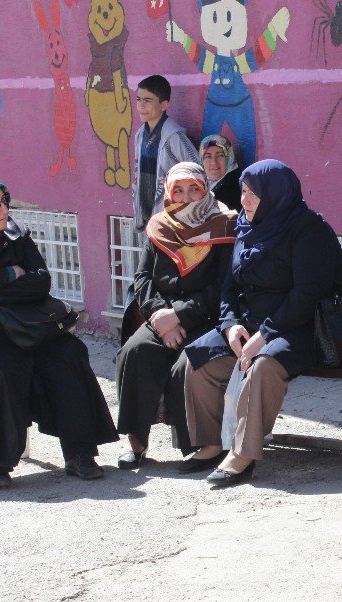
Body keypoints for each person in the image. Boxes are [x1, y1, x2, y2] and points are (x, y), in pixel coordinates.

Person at [0, 175, 118, 489]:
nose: (4, 210)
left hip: (20, 323)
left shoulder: (15, 234)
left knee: (68, 353)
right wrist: (9, 274)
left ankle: (79, 452)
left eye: (6, 202)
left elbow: (41, 280)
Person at [183, 159, 342, 486]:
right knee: (198, 359)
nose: (244, 200)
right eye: (243, 191)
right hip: (248, 322)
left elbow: (306, 295)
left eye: (252, 194)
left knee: (262, 366)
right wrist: (229, 325)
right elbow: (230, 285)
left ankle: (243, 455)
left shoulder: (308, 231)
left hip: (297, 328)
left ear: (275, 195)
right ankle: (213, 442)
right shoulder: (246, 225)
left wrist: (264, 335)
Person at [114, 162, 237, 469]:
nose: (186, 197)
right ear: (169, 193)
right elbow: (142, 279)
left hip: (206, 317)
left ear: (205, 190)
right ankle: (137, 442)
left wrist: (180, 316)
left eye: (194, 189)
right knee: (135, 351)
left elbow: (224, 286)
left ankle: (205, 444)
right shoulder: (160, 225)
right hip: (161, 315)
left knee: (188, 362)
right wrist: (158, 316)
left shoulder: (225, 224)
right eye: (178, 190)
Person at [132, 74, 200, 232]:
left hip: (173, 219)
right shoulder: (140, 135)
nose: (141, 106)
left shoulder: (174, 136)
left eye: (148, 101)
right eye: (138, 99)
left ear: (164, 105)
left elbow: (198, 169)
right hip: (148, 215)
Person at [199, 134, 242, 212]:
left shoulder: (235, 188)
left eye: (220, 155)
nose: (214, 162)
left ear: (230, 157)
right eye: (208, 156)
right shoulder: (199, 183)